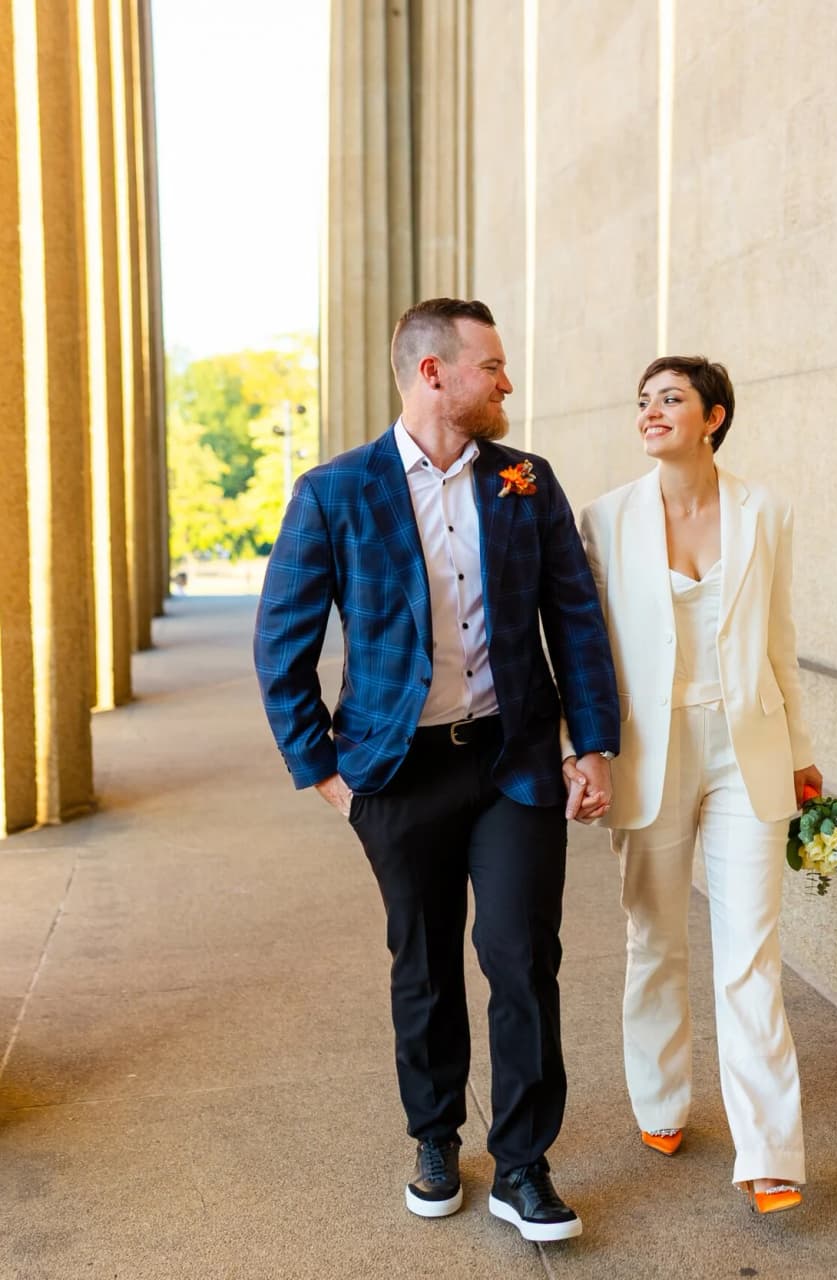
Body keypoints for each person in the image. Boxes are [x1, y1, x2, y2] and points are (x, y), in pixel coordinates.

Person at [254, 298, 620, 1241]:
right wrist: (325, 775)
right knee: (422, 963)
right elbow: (282, 648)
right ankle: (433, 1136)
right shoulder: (335, 492)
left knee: (522, 959)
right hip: (397, 771)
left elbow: (573, 622)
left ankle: (525, 1166)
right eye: (491, 365)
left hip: (513, 763)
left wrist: (595, 744)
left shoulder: (526, 482)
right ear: (432, 374)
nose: (506, 382)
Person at [573, 355, 820, 1214]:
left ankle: (769, 1150)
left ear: (713, 417)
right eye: (641, 400)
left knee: (750, 948)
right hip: (652, 745)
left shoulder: (767, 512)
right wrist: (586, 749)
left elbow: (780, 641)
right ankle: (662, 1098)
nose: (651, 412)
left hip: (744, 746)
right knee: (656, 936)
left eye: (670, 399)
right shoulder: (604, 520)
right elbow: (586, 651)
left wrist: (799, 750)